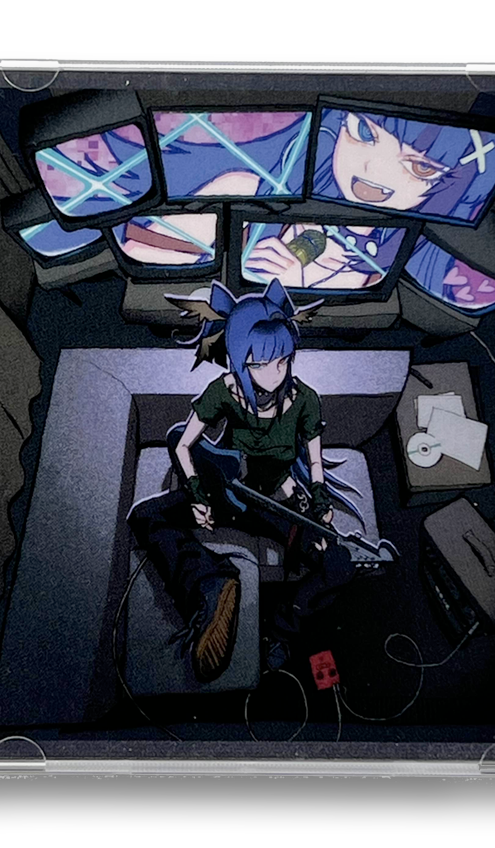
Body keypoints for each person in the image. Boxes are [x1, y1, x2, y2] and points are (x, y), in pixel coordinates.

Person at [127, 277, 362, 682]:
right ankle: (211, 582)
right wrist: (196, 493)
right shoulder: (224, 391)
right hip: (225, 492)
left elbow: (314, 458)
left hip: (278, 502)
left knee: (338, 563)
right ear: (239, 359)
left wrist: (320, 501)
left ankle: (281, 631)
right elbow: (182, 443)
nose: (274, 374)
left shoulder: (304, 399)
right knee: (145, 516)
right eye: (260, 364)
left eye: (282, 361)